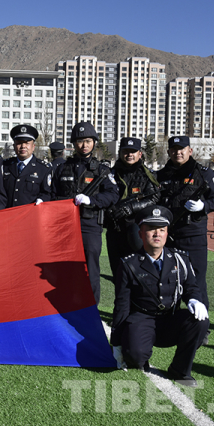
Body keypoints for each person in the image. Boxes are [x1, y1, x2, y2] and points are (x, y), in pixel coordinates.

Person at [111, 205, 209, 387]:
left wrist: (195, 299)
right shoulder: (129, 264)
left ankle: (180, 370)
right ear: (141, 233)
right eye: (151, 229)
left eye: (162, 230)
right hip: (142, 319)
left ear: (167, 233)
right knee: (135, 356)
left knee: (199, 321)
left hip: (171, 319)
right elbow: (122, 305)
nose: (157, 234)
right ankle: (138, 353)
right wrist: (116, 343)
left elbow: (191, 287)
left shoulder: (180, 258)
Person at [51, 122, 118, 304]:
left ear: (94, 142)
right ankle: (66, 306)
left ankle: (91, 309)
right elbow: (52, 194)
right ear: (74, 143)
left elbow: (112, 194)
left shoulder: (102, 170)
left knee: (91, 269)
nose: (84, 145)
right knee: (65, 268)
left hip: (90, 224)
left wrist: (92, 201)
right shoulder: (62, 168)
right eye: (80, 141)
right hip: (65, 226)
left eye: (88, 141)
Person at [156, 136, 214, 311]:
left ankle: (200, 323)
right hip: (168, 236)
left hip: (193, 235)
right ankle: (170, 320)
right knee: (168, 280)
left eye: (182, 149)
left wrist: (204, 206)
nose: (178, 153)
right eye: (174, 150)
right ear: (168, 152)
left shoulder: (203, 173)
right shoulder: (161, 175)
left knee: (197, 279)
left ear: (190, 151)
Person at [105, 137, 161, 277]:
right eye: (126, 151)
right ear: (120, 153)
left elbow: (154, 198)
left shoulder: (147, 175)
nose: (129, 154)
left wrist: (131, 208)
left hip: (136, 230)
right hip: (115, 230)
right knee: (118, 274)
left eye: (133, 151)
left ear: (139, 154)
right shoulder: (110, 174)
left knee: (139, 274)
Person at [2, 124, 51, 207]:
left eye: (27, 143)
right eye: (19, 143)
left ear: (33, 146)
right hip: (8, 213)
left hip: (30, 213)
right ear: (14, 146)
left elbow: (47, 193)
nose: (23, 146)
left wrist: (41, 200)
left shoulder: (43, 168)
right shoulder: (5, 165)